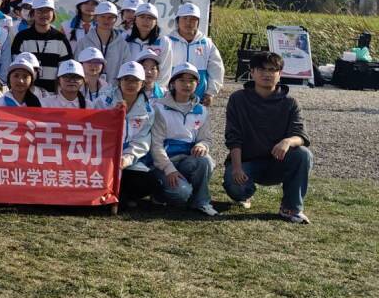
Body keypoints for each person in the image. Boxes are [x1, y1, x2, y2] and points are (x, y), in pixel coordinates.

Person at [222, 51, 313, 224]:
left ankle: (291, 208)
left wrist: (287, 141)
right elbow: (233, 136)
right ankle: (245, 194)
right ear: (252, 72)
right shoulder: (238, 99)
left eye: (272, 70)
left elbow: (301, 135)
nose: (267, 74)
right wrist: (236, 167)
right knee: (236, 186)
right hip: (247, 162)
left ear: (280, 74)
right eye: (262, 69)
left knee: (303, 154)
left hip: (277, 162)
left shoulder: (290, 102)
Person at [148, 62, 219, 216]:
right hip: (164, 164)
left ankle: (201, 201)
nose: (187, 85)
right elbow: (156, 145)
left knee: (205, 160)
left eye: (191, 81)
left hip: (187, 161)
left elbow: (206, 139)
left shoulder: (201, 110)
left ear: (197, 84)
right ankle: (159, 193)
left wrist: (202, 145)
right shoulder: (159, 108)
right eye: (181, 80)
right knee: (181, 194)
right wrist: (169, 169)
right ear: (173, 83)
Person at [98, 61, 157, 204]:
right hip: (103, 156)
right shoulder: (104, 102)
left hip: (127, 161)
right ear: (119, 82)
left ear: (142, 84)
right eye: (126, 79)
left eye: (135, 80)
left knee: (148, 182)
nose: (131, 84)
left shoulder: (148, 111)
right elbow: (95, 129)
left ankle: (121, 196)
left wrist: (127, 158)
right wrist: (112, 114)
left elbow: (142, 141)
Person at [9, 0, 72, 93]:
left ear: (53, 13)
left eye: (48, 11)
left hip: (53, 95)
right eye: (40, 11)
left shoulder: (60, 38)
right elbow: (15, 67)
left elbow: (65, 70)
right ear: (33, 13)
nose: (44, 14)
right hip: (26, 94)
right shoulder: (21, 37)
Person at [167, 3, 225, 105]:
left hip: (198, 98)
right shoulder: (168, 42)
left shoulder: (206, 43)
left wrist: (210, 93)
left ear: (198, 22)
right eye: (185, 18)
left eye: (193, 19)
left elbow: (216, 69)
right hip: (170, 97)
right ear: (177, 20)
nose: (188, 22)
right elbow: (161, 69)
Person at [107, 2, 174, 82]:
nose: (146, 21)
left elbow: (165, 70)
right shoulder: (123, 38)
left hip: (151, 87)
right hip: (127, 85)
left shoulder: (164, 42)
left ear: (156, 21)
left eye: (150, 18)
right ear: (135, 19)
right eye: (142, 17)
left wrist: (156, 88)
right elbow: (116, 65)